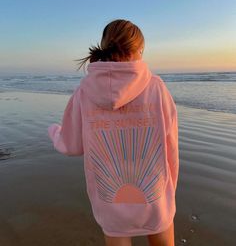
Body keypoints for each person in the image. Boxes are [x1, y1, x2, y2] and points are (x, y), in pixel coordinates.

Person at [48, 19, 179, 246]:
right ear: (139, 50)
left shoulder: (84, 92)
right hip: (155, 194)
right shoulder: (156, 88)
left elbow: (72, 146)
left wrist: (55, 132)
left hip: (109, 198)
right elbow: (171, 145)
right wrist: (169, 190)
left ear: (105, 45)